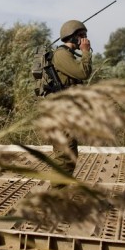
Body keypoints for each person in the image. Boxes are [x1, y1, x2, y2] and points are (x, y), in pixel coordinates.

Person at [51, 19, 93, 175]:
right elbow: (83, 73)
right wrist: (86, 52)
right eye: (82, 35)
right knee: (65, 156)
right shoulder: (61, 55)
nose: (85, 39)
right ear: (73, 36)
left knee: (68, 154)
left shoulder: (67, 55)